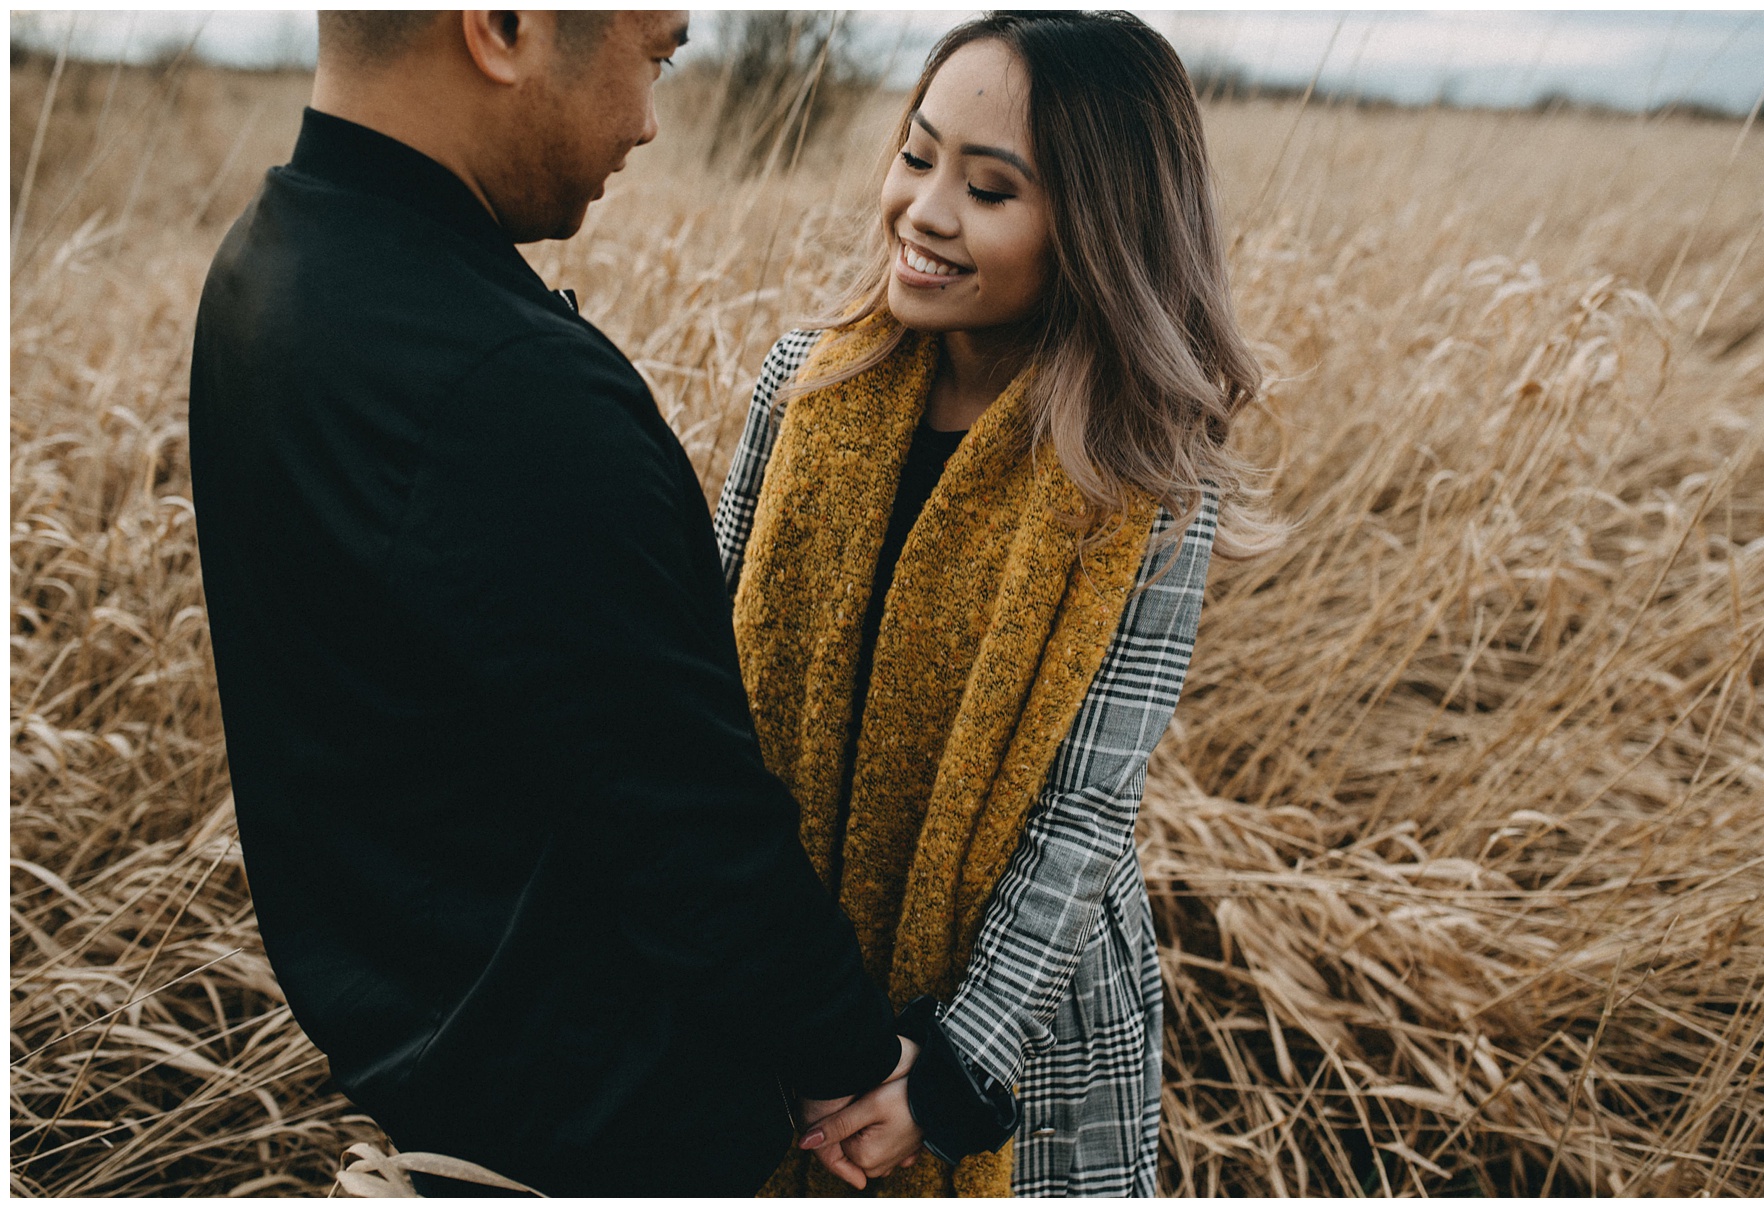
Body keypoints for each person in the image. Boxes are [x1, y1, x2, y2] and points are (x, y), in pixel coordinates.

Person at [187, 11, 913, 1197]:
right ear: (505, 25)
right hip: (609, 1135)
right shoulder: (503, 389)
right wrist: (851, 1052)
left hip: (444, 1088)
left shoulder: (268, 268)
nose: (648, 117)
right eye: (654, 52)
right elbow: (683, 813)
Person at [715, 11, 1278, 1197]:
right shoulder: (802, 390)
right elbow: (704, 691)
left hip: (1025, 1019)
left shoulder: (1144, 482)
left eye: (990, 188)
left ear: (1096, 228)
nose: (923, 209)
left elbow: (1083, 812)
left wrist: (949, 1066)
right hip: (782, 975)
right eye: (916, 156)